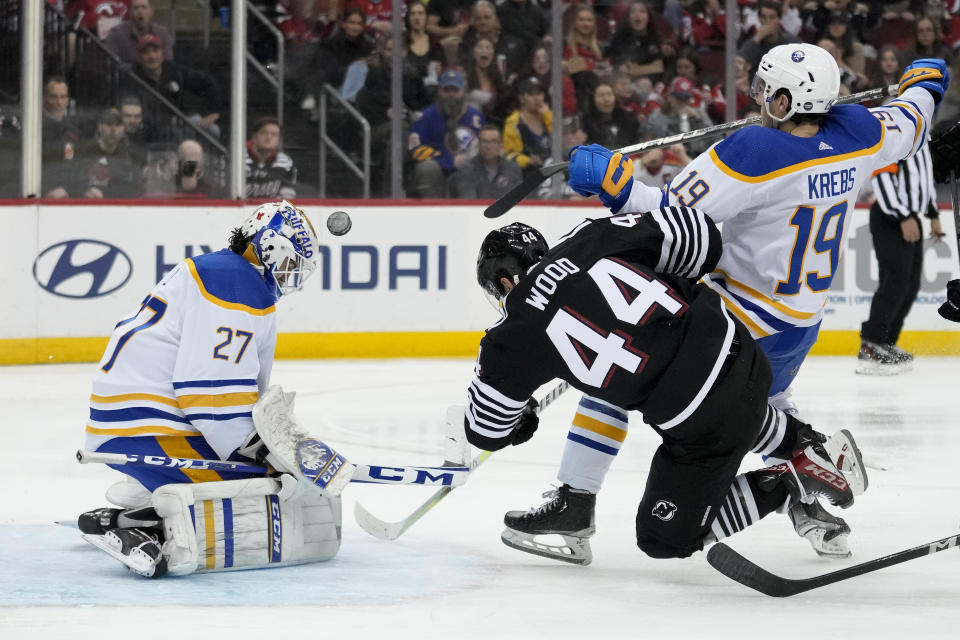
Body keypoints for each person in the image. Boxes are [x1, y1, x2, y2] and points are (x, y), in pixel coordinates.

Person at [517, 44, 947, 562]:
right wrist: (924, 85)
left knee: (616, 368)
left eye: (768, 91)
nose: (759, 99)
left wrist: (618, 185)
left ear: (789, 101)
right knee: (766, 409)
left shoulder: (755, 152)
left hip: (734, 320)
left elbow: (672, 216)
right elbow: (911, 123)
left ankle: (574, 500)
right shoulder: (858, 134)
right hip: (798, 326)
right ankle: (808, 498)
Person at [464, 215, 866, 564]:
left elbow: (485, 432)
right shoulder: (586, 237)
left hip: (699, 419)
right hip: (743, 350)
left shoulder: (509, 339)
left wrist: (521, 418)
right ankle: (806, 442)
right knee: (725, 406)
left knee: (663, 538)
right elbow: (702, 237)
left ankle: (793, 481)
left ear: (504, 280)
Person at [76, 201, 341, 579]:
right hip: (150, 427)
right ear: (270, 245)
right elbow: (209, 396)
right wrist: (261, 453)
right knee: (263, 487)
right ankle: (145, 522)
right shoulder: (236, 283)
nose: (292, 274)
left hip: (136, 420)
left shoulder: (227, 272)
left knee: (261, 475)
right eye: (291, 260)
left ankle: (142, 504)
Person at [858, 136, 942, 374]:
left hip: (910, 216)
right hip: (890, 217)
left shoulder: (924, 140)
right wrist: (902, 216)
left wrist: (933, 214)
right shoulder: (899, 138)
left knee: (910, 284)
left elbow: (925, 181)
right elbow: (882, 178)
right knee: (894, 282)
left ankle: (886, 342)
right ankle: (872, 345)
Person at [120, 34, 221, 140]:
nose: (152, 56)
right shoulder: (133, 78)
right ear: (139, 58)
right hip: (150, 128)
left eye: (155, 50)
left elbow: (208, 83)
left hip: (183, 122)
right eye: (146, 52)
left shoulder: (176, 72)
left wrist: (213, 114)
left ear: (162, 54)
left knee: (214, 130)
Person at [407, 69, 484, 198]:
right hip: (438, 170)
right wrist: (448, 161)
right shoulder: (425, 116)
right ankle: (433, 213)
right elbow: (415, 149)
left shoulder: (475, 117)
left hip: (470, 170)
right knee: (427, 168)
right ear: (439, 92)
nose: (451, 95)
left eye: (455, 90)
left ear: (463, 92)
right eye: (446, 90)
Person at [73, 107, 144, 198]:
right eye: (109, 124)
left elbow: (136, 187)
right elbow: (71, 181)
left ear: (123, 130)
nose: (113, 129)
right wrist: (85, 190)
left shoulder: (131, 156)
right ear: (100, 127)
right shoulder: (83, 151)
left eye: (118, 125)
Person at [448, 124, 522, 198]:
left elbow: (518, 200)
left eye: (493, 141)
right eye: (484, 141)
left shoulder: (513, 169)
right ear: (478, 145)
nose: (488, 146)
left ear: (501, 145)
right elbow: (468, 201)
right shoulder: (466, 170)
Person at [502, 76, 552, 175]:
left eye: (539, 94)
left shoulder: (548, 117)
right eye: (531, 94)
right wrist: (528, 161)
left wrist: (548, 116)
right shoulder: (513, 122)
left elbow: (561, 143)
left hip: (554, 173)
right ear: (521, 99)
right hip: (527, 176)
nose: (537, 99)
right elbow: (510, 155)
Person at [41, 76, 80, 198]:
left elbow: (77, 167)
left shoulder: (73, 131)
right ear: (44, 99)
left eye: (63, 97)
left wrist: (69, 190)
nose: (59, 102)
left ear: (68, 100)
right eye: (54, 97)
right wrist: (45, 191)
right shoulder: (32, 130)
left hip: (67, 196)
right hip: (40, 196)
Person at [103, 0, 174, 66]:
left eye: (144, 7)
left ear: (151, 11)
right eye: (136, 8)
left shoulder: (163, 33)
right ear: (130, 13)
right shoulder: (116, 34)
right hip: (128, 76)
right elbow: (112, 63)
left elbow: (168, 61)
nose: (140, 11)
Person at [738, 1, 800, 72]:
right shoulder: (753, 41)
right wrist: (757, 38)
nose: (767, 21)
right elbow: (739, 61)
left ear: (779, 19)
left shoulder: (791, 41)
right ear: (759, 19)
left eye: (772, 17)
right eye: (763, 17)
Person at [245, 116, 297, 199]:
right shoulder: (237, 159)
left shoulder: (286, 163)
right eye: (264, 133)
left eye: (274, 134)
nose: (269, 137)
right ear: (254, 137)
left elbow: (288, 197)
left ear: (278, 140)